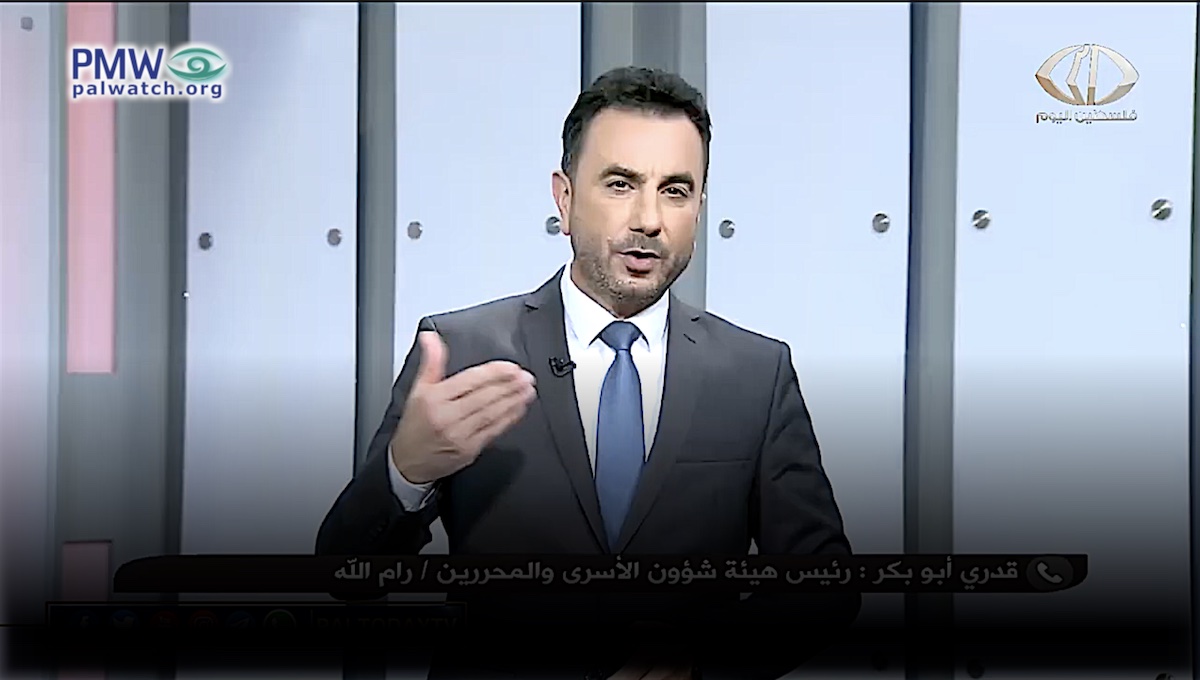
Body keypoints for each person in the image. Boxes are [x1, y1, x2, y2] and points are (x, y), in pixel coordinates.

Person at [317, 66, 859, 679]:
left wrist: (703, 658)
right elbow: (346, 575)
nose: (649, 219)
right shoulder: (462, 351)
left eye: (675, 190)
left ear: (700, 206)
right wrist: (405, 473)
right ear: (565, 198)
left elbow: (825, 587)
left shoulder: (757, 373)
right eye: (621, 184)